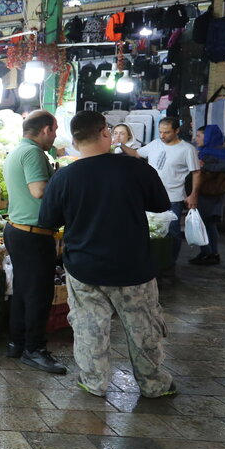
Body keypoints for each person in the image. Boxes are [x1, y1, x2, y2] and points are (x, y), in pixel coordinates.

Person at [38, 111, 175, 398]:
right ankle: (154, 385)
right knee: (143, 330)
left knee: (89, 328)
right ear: (105, 133)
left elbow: (48, 221)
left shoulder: (64, 177)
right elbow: (162, 205)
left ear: (75, 141)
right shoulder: (135, 169)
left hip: (84, 268)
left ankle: (94, 382)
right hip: (132, 267)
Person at [0, 110, 67, 375]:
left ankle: (17, 343)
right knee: (39, 294)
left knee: (23, 290)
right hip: (32, 234)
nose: (56, 135)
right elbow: (39, 190)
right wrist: (62, 181)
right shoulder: (34, 153)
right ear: (46, 130)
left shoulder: (18, 150)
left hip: (18, 230)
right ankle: (34, 350)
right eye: (55, 130)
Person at [122, 117, 199, 272]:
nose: (162, 136)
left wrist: (193, 195)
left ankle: (169, 263)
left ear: (177, 131)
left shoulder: (187, 149)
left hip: (174, 198)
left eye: (167, 132)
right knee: (151, 229)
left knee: (172, 231)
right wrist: (119, 144)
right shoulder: (155, 144)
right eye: (160, 132)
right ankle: (151, 260)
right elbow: (137, 154)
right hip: (149, 196)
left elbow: (197, 173)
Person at [188, 124, 225, 265]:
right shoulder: (214, 152)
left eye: (199, 136)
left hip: (209, 194)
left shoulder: (211, 153)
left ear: (209, 137)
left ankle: (209, 253)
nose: (195, 139)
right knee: (208, 224)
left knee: (205, 223)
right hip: (212, 193)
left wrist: (203, 166)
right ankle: (209, 253)